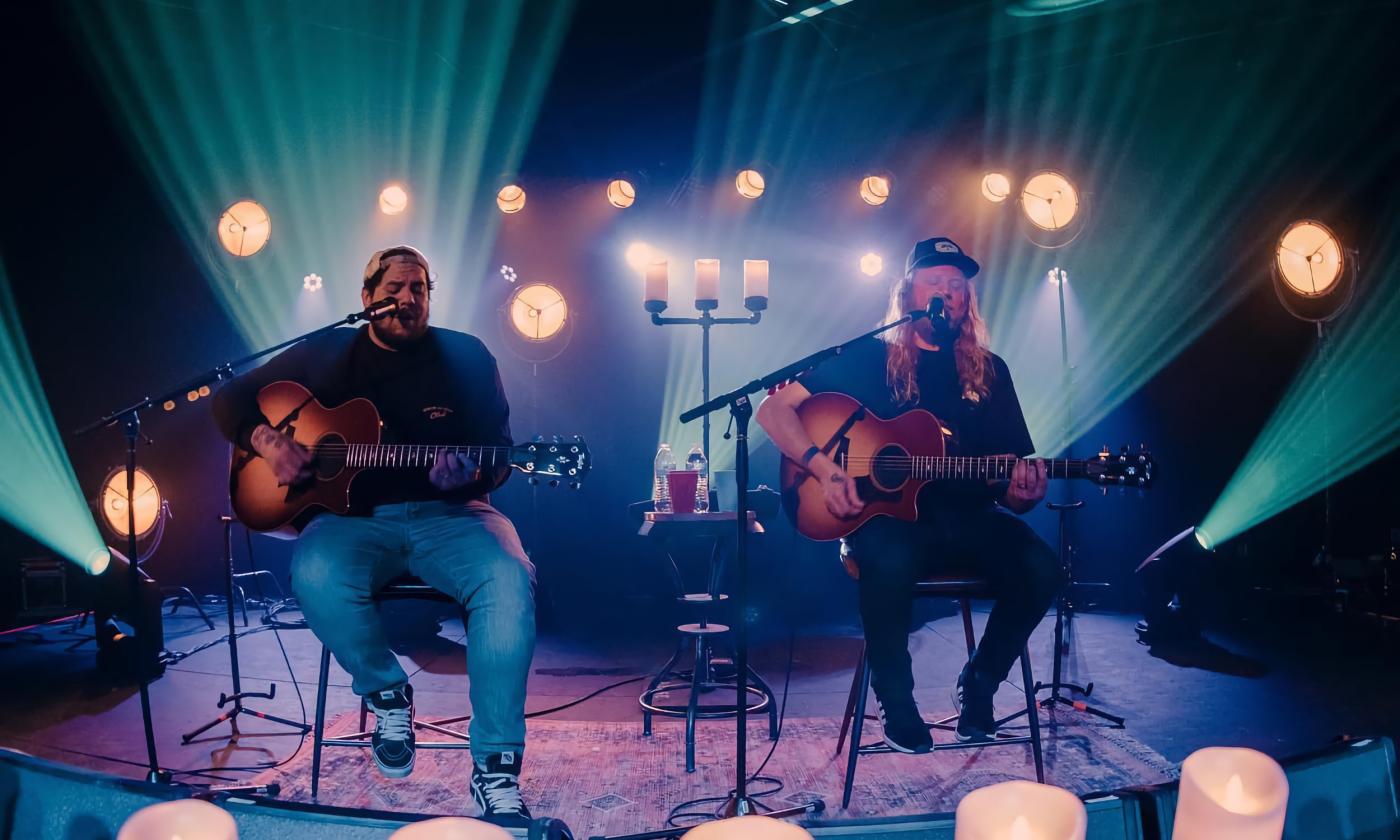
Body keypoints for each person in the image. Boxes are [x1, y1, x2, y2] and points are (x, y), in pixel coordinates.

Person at [211, 245, 535, 821]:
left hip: (453, 516)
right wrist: (268, 441)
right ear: (367, 299)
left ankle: (495, 771)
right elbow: (228, 397)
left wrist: (471, 472)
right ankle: (387, 691)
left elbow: (502, 453)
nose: (409, 300)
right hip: (353, 521)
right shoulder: (328, 351)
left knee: (509, 581)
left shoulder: (466, 356)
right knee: (313, 571)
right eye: (397, 289)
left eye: (421, 290)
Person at [755, 236, 1059, 752]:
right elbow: (772, 412)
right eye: (935, 282)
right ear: (908, 294)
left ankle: (980, 685)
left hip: (968, 519)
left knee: (1041, 568)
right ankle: (896, 701)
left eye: (957, 285)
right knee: (891, 557)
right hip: (888, 522)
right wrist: (825, 469)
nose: (949, 292)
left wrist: (1023, 493)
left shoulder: (990, 371)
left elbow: (1009, 486)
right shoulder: (864, 359)